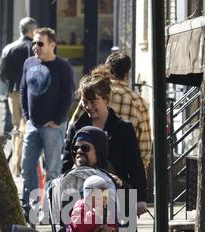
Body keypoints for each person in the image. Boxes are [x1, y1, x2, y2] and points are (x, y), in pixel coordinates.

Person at [62, 71, 147, 217]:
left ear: (106, 99)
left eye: (93, 101)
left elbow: (135, 166)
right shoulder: (76, 127)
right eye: (84, 101)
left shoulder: (123, 128)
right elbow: (66, 163)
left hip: (119, 199)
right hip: (83, 202)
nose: (88, 106)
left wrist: (140, 199)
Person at [20, 27, 75, 221]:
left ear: (52, 45)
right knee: (27, 168)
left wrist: (58, 120)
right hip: (33, 125)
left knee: (52, 171)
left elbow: (69, 95)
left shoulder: (63, 66)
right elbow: (23, 90)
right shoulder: (29, 63)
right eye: (34, 43)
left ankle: (52, 212)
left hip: (53, 127)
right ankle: (30, 211)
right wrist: (26, 117)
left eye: (40, 43)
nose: (36, 47)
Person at [69, 51, 152, 174]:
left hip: (87, 172)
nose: (89, 106)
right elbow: (144, 148)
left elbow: (73, 129)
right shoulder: (138, 102)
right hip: (122, 175)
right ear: (127, 75)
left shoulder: (91, 94)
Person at [0, 17, 38, 176]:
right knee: (28, 126)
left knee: (17, 128)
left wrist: (12, 83)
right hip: (30, 91)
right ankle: (22, 164)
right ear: (32, 30)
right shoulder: (34, 48)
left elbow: (2, 74)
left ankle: (16, 165)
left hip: (13, 91)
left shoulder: (8, 48)